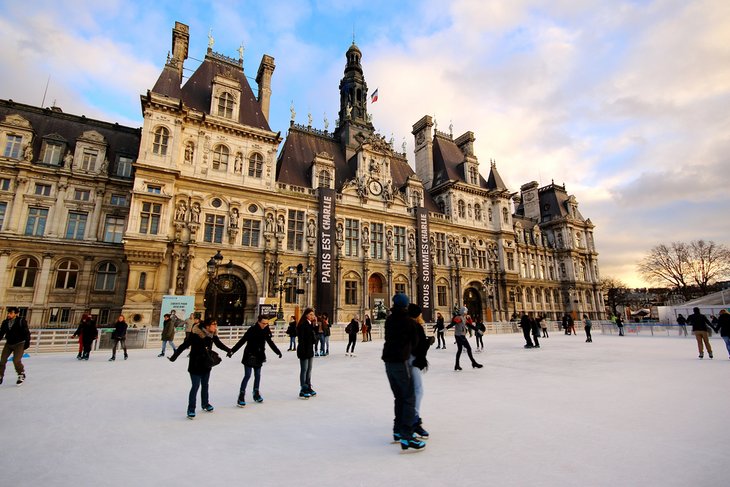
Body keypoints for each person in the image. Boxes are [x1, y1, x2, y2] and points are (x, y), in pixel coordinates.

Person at [382, 293, 425, 451]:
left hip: (388, 362)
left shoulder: (389, 320)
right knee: (409, 397)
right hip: (401, 362)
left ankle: (397, 430)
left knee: (399, 397)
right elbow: (416, 343)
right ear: (406, 306)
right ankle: (407, 436)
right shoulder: (409, 322)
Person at [169, 319, 231, 419]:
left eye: (216, 324)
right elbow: (184, 345)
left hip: (206, 364)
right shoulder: (195, 335)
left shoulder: (212, 335)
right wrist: (174, 357)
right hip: (196, 364)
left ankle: (205, 404)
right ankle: (191, 408)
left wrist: (229, 350)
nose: (215, 327)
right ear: (206, 326)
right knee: (195, 386)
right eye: (213, 324)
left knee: (205, 385)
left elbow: (219, 344)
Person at [228, 314, 282, 407]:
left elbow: (270, 342)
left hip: (259, 355)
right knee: (247, 375)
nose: (265, 325)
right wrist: (232, 351)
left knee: (257, 375)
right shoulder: (252, 329)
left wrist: (277, 351)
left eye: (266, 323)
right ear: (258, 321)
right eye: (263, 323)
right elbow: (242, 341)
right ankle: (241, 395)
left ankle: (256, 393)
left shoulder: (266, 329)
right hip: (249, 354)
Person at [408, 303, 433, 439]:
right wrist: (427, 342)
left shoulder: (407, 325)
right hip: (412, 361)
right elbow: (418, 346)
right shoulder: (415, 326)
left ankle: (404, 421)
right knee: (417, 390)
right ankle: (414, 419)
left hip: (405, 361)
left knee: (409, 391)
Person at [0, 307, 31, 385]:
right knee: (2, 360)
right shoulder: (5, 322)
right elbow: (1, 333)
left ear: (16, 314)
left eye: (11, 313)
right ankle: (0, 375)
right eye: (8, 313)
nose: (9, 314)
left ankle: (21, 374)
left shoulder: (21, 321)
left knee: (16, 360)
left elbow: (26, 333)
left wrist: (26, 343)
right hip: (9, 343)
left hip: (19, 343)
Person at [296, 308, 317, 398]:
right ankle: (303, 388)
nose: (313, 316)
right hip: (304, 350)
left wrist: (315, 324)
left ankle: (308, 386)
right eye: (311, 314)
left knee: (309, 369)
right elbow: (302, 340)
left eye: (313, 314)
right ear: (306, 315)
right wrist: (303, 351)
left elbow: (313, 337)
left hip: (309, 350)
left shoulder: (310, 324)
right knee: (304, 370)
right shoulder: (302, 325)